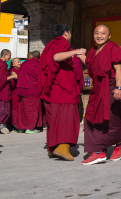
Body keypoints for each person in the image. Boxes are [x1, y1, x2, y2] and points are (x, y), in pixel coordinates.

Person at [80, 24, 121, 165]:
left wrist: (119, 87)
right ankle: (98, 151)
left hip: (111, 86)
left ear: (109, 36)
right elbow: (89, 63)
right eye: (96, 32)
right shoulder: (92, 51)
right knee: (91, 117)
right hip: (98, 87)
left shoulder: (112, 48)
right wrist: (78, 54)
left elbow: (119, 69)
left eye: (103, 33)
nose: (99, 35)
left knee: (111, 118)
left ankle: (118, 145)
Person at [39, 24, 85, 160]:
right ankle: (63, 147)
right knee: (66, 117)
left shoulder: (49, 45)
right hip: (63, 89)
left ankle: (53, 148)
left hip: (53, 88)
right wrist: (75, 52)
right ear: (66, 33)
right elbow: (56, 57)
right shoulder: (62, 42)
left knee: (55, 119)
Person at [16, 51, 43, 134]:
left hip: (23, 89)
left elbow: (19, 73)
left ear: (31, 56)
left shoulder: (24, 64)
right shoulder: (39, 64)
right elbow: (41, 76)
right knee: (32, 109)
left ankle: (21, 128)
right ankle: (29, 128)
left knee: (23, 109)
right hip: (33, 90)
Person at [0, 49, 12, 134]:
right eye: (9, 55)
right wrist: (13, 76)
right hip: (2, 90)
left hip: (4, 89)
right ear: (4, 55)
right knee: (3, 110)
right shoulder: (1, 65)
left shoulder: (1, 64)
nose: (10, 57)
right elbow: (2, 79)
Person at [8, 57, 20, 132]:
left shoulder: (16, 70)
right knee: (15, 108)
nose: (20, 63)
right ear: (13, 64)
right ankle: (14, 123)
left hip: (17, 91)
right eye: (18, 62)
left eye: (19, 62)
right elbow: (16, 77)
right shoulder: (13, 71)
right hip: (14, 92)